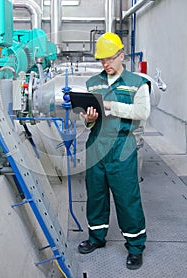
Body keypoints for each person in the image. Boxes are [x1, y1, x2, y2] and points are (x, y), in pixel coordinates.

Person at [78, 32, 151, 270]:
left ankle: (135, 247)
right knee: (96, 196)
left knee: (127, 198)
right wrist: (88, 119)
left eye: (109, 58)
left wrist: (111, 105)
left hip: (122, 146)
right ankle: (96, 238)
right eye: (101, 60)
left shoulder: (137, 83)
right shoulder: (92, 83)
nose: (105, 64)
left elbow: (142, 113)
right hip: (96, 145)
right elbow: (87, 122)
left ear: (122, 55)